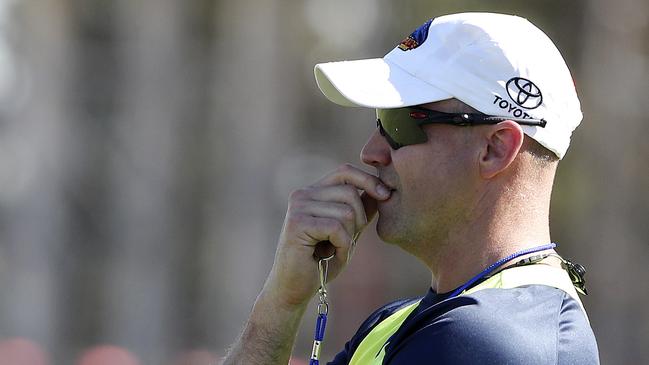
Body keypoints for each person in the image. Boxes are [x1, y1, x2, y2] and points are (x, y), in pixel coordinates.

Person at [223, 12, 599, 365]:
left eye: (399, 122)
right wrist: (283, 302)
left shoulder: (481, 340)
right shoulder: (400, 323)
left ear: (494, 149)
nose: (370, 152)